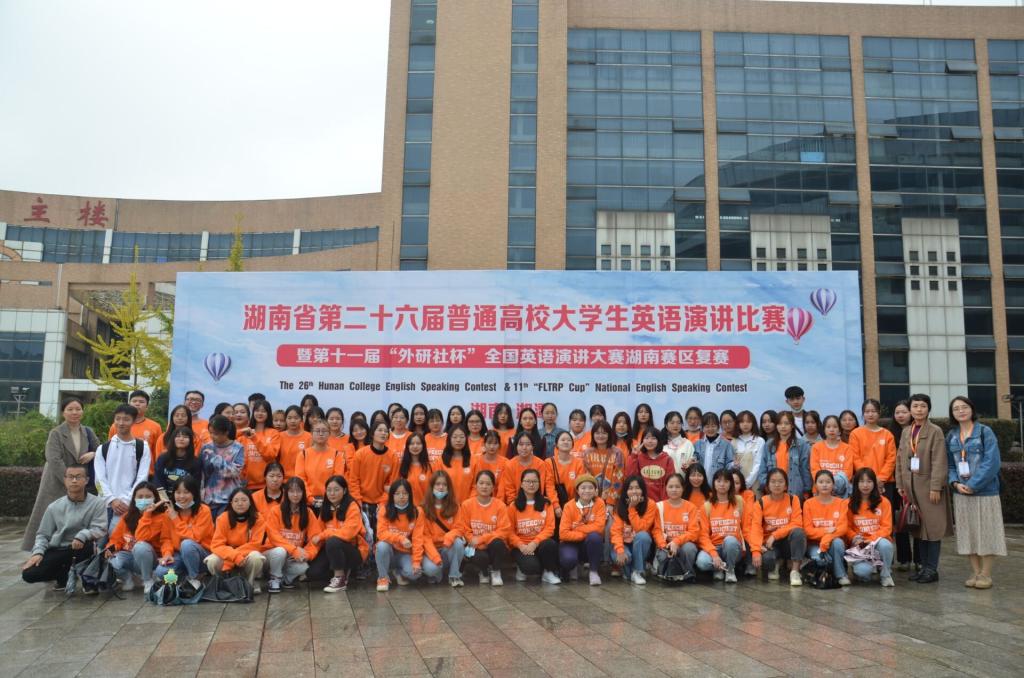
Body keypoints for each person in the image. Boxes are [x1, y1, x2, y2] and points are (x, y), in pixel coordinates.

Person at [22, 397, 100, 552]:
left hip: (78, 482)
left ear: (82, 411)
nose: (74, 412)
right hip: (56, 481)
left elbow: (101, 449)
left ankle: (71, 552)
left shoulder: (87, 432)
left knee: (75, 519)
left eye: (78, 409)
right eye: (70, 409)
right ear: (63, 412)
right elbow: (53, 459)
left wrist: (93, 453)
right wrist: (70, 480)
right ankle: (41, 550)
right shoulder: (56, 433)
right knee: (50, 517)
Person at [945, 395, 1006, 589]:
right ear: (952, 414)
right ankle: (975, 571)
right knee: (968, 533)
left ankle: (986, 574)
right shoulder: (952, 436)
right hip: (961, 493)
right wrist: (955, 483)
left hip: (985, 491)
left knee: (987, 532)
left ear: (971, 409)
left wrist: (973, 484)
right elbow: (949, 465)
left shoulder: (985, 432)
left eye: (964, 407)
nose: (961, 411)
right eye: (956, 409)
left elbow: (992, 462)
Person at [895, 393, 952, 584]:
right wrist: (900, 484)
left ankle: (931, 569)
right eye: (915, 406)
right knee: (920, 530)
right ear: (910, 409)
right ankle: (924, 568)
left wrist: (936, 487)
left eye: (923, 406)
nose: (919, 410)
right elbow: (900, 459)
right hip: (911, 489)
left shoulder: (935, 431)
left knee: (932, 529)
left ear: (928, 409)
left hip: (929, 489)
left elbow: (939, 461)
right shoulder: (906, 432)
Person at [21, 463, 106, 591]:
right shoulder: (54, 507)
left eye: (78, 477)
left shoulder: (97, 503)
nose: (74, 480)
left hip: (83, 548)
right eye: (70, 477)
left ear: (87, 480)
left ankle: (87, 579)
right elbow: (43, 534)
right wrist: (37, 553)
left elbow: (100, 528)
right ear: (65, 480)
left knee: (89, 547)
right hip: (59, 549)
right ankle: (63, 575)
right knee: (29, 574)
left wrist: (83, 535)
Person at [105, 481, 174, 594]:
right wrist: (110, 549)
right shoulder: (127, 517)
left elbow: (165, 540)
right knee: (111, 561)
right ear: (134, 499)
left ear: (155, 498)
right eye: (140, 497)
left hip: (152, 559)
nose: (144, 500)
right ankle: (128, 579)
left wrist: (167, 554)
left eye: (148, 496)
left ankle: (147, 580)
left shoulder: (163, 517)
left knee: (140, 546)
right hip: (130, 556)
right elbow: (116, 539)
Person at [95, 404, 151, 532]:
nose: (121, 423)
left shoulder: (142, 447)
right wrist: (111, 500)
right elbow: (98, 480)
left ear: (134, 421)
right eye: (118, 419)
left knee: (119, 540)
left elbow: (142, 478)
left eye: (126, 419)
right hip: (104, 505)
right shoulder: (103, 449)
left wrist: (127, 500)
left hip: (129, 506)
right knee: (99, 540)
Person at [307, 475, 367, 593]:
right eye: (329, 490)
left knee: (333, 541)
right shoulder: (325, 507)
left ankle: (340, 579)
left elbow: (348, 534)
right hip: (332, 549)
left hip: (353, 550)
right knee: (312, 573)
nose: (332, 493)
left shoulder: (352, 506)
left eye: (336, 490)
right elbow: (317, 536)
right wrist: (308, 554)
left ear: (344, 490)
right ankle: (343, 569)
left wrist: (325, 534)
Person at [154, 475, 213, 590]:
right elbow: (166, 539)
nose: (181, 496)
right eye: (178, 492)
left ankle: (195, 578)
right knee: (161, 572)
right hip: (180, 555)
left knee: (186, 544)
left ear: (194, 494)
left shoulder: (204, 510)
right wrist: (167, 554)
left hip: (203, 555)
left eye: (186, 492)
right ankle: (185, 576)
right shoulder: (169, 513)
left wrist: (175, 519)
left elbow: (195, 538)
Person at [265, 477, 323, 592]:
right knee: (280, 551)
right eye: (291, 491)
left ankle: (283, 579)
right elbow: (274, 537)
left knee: (304, 567)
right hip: (272, 554)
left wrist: (307, 554)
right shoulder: (276, 511)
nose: (295, 495)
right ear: (286, 493)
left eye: (298, 491)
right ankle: (274, 578)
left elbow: (315, 538)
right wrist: (294, 549)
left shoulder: (308, 513)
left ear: (303, 493)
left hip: (291, 556)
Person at [750, 468, 805, 586]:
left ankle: (795, 571)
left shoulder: (793, 499)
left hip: (787, 542)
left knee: (799, 532)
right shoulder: (760, 503)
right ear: (767, 485)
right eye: (773, 481)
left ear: (786, 485)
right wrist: (756, 550)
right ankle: (776, 563)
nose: (777, 485)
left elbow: (797, 523)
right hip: (770, 545)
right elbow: (756, 528)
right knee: (766, 561)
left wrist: (775, 535)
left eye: (780, 481)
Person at [695, 470, 752, 583]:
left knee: (730, 540)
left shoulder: (739, 502)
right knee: (701, 562)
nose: (722, 484)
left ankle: (730, 570)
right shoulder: (707, 506)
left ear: (731, 484)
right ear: (714, 483)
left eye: (726, 481)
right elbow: (703, 536)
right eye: (719, 481)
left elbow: (747, 528)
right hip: (714, 547)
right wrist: (714, 555)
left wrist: (756, 548)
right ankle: (719, 568)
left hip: (733, 547)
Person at [205, 488, 268, 592]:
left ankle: (249, 584)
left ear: (250, 502)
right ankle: (222, 583)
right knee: (211, 561)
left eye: (244, 500)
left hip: (245, 557)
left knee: (256, 557)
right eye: (236, 500)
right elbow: (217, 545)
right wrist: (234, 556)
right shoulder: (223, 518)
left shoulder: (258, 519)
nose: (240, 503)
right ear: (231, 503)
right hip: (227, 556)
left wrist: (234, 557)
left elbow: (255, 544)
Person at [456, 470, 511, 586]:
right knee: (481, 557)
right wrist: (475, 542)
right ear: (476, 485)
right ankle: (483, 572)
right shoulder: (466, 505)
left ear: (493, 487)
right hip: (475, 545)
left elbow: (504, 531)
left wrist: (481, 539)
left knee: (498, 544)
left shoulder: (500, 505)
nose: (484, 486)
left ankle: (496, 572)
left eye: (488, 484)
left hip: (491, 545)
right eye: (481, 483)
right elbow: (464, 529)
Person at [849, 399, 897, 529]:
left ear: (879, 413)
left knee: (884, 517)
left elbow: (891, 458)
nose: (870, 414)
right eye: (867, 411)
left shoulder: (887, 435)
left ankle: (885, 540)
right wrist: (869, 478)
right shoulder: (856, 433)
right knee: (864, 517)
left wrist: (880, 478)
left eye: (874, 411)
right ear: (863, 414)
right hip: (862, 482)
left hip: (884, 483)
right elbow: (855, 457)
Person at [507, 468, 561, 584]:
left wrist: (535, 542)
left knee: (550, 544)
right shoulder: (513, 506)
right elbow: (509, 532)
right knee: (531, 567)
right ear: (521, 484)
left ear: (539, 484)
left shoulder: (546, 503)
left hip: (539, 544)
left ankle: (548, 572)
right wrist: (521, 545)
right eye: (527, 481)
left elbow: (550, 528)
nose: (531, 484)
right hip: (521, 546)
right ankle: (522, 568)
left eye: (535, 481)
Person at [414, 470, 466, 587]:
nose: (441, 487)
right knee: (432, 570)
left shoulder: (455, 506)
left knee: (458, 543)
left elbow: (459, 528)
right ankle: (437, 573)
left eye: (444, 484)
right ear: (431, 486)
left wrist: (449, 536)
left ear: (449, 487)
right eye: (437, 484)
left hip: (447, 547)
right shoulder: (422, 509)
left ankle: (454, 576)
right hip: (430, 551)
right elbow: (424, 537)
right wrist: (435, 557)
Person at [846, 468, 895, 587]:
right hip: (860, 544)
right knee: (862, 573)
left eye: (869, 481)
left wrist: (872, 539)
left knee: (886, 545)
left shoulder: (884, 502)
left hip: (878, 542)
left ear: (874, 483)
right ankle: (863, 567)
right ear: (856, 484)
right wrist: (855, 538)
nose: (865, 485)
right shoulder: (849, 503)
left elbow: (887, 527)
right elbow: (847, 527)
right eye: (861, 481)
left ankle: (885, 574)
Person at [803, 470, 850, 586]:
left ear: (833, 485)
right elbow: (808, 530)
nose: (824, 485)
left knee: (838, 542)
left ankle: (841, 575)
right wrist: (826, 531)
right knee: (820, 560)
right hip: (814, 544)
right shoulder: (808, 503)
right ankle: (826, 569)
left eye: (828, 482)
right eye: (821, 482)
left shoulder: (842, 503)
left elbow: (843, 528)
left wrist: (826, 539)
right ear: (815, 485)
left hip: (833, 542)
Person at [651, 473, 701, 582]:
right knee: (664, 556)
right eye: (671, 487)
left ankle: (688, 573)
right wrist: (664, 546)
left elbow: (694, 532)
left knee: (690, 548)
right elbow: (657, 531)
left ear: (683, 488)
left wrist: (677, 541)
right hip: (666, 544)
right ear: (666, 488)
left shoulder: (691, 507)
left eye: (677, 487)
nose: (674, 490)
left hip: (683, 544)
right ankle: (667, 573)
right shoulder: (659, 506)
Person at [558, 474, 606, 586]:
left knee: (595, 537)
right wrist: (583, 535)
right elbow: (563, 534)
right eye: (583, 488)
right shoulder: (569, 506)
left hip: (587, 542)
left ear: (595, 490)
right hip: (570, 542)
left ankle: (593, 572)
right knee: (568, 559)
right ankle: (572, 566)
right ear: (577, 490)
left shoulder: (599, 503)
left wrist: (578, 528)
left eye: (590, 488)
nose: (587, 491)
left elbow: (599, 527)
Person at [375, 479, 421, 592]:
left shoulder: (417, 512)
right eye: (397, 493)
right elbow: (381, 533)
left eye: (405, 493)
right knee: (381, 546)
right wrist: (400, 538)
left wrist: (416, 562)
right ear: (392, 495)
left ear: (410, 495)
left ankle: (397, 572)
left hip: (404, 553)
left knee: (415, 574)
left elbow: (418, 539)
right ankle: (383, 578)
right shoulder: (384, 510)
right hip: (389, 550)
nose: (401, 497)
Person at [887, 399, 916, 571]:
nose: (900, 415)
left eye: (904, 412)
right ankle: (904, 559)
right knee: (900, 521)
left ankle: (919, 559)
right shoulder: (890, 433)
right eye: (897, 412)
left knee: (918, 521)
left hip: (917, 482)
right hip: (897, 484)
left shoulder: (918, 431)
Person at [610, 475, 656, 585]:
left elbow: (641, 529)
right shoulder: (620, 506)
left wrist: (632, 508)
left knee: (643, 536)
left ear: (643, 490)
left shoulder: (650, 504)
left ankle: (637, 571)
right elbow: (616, 532)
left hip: (639, 544)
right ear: (626, 491)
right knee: (626, 566)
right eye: (630, 488)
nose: (634, 491)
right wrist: (620, 550)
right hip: (623, 544)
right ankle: (631, 571)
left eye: (637, 488)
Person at [107, 390, 163, 475]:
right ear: (129, 404)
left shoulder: (155, 427)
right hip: (120, 472)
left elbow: (157, 453)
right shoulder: (116, 426)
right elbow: (110, 450)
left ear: (147, 406)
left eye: (141, 402)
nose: (137, 404)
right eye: (134, 401)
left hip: (146, 473)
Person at [200, 415, 246, 519]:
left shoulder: (238, 448)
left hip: (228, 499)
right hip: (208, 499)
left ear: (226, 433)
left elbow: (234, 472)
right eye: (210, 433)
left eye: (216, 434)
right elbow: (201, 473)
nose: (212, 436)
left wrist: (215, 458)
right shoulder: (206, 447)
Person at [758, 411, 811, 497]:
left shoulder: (801, 445)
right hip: (773, 490)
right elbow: (762, 469)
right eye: (780, 424)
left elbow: (805, 469)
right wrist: (766, 485)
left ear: (792, 425)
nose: (783, 426)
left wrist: (807, 489)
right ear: (776, 426)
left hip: (795, 490)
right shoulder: (769, 444)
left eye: (786, 423)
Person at [498, 431, 558, 507]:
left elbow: (540, 488)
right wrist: (514, 504)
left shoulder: (540, 464)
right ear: (516, 446)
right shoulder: (509, 465)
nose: (524, 448)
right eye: (521, 444)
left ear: (533, 446)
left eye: (528, 444)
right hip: (515, 504)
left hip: (535, 503)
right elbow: (509, 490)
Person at [296, 420, 343, 507]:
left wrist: (328, 498)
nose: (321, 434)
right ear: (311, 433)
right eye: (317, 431)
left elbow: (337, 480)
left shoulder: (336, 454)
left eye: (324, 431)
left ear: (329, 434)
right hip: (307, 501)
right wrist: (310, 499)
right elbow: (300, 479)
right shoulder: (303, 454)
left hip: (330, 501)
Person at [810, 415, 854, 498]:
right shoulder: (816, 447)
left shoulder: (847, 448)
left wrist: (834, 486)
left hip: (840, 492)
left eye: (835, 427)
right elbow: (814, 470)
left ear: (839, 430)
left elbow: (848, 472)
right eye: (828, 427)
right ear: (824, 429)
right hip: (820, 490)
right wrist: (825, 485)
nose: (831, 429)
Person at [624, 426, 673, 501]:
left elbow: (670, 483)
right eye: (646, 438)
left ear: (659, 441)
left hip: (661, 502)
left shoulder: (667, 459)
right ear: (642, 441)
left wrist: (663, 503)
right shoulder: (638, 457)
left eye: (653, 438)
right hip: (642, 501)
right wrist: (633, 456)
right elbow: (630, 477)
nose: (650, 441)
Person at [153, 427, 203, 492]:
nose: (181, 439)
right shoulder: (163, 459)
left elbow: (195, 485)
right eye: (178, 436)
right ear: (173, 439)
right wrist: (164, 497)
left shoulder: (196, 462)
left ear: (190, 441)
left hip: (185, 496)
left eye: (185, 437)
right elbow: (158, 481)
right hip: (164, 496)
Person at [549, 430, 586, 511]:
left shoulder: (579, 462)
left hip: (575, 504)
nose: (566, 442)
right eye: (562, 440)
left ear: (572, 445)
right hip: (557, 505)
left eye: (569, 440)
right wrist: (556, 505)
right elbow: (549, 486)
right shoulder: (549, 462)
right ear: (556, 444)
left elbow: (581, 485)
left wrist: (577, 504)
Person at [693, 412, 735, 477]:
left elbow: (729, 465)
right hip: (700, 481)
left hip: (719, 481)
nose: (710, 429)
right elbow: (694, 462)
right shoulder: (697, 444)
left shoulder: (727, 445)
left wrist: (734, 465)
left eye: (713, 426)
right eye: (707, 426)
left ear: (718, 427)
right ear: (702, 428)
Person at [396, 432, 433, 507]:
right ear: (407, 446)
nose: (415, 446)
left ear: (423, 446)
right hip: (406, 509)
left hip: (426, 509)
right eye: (412, 444)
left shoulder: (430, 467)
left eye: (418, 443)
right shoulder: (400, 467)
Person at [732, 410, 764, 493]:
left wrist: (747, 483)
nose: (745, 424)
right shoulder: (733, 441)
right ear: (738, 424)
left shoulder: (759, 441)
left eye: (748, 422)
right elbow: (731, 463)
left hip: (754, 483)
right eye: (742, 422)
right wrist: (738, 483)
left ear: (753, 424)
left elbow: (758, 464)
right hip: (736, 484)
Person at [279, 405, 313, 477]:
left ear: (301, 419)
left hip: (302, 478)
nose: (293, 421)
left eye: (296, 418)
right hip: (283, 478)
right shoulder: (279, 436)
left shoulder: (309, 437)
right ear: (285, 419)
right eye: (289, 418)